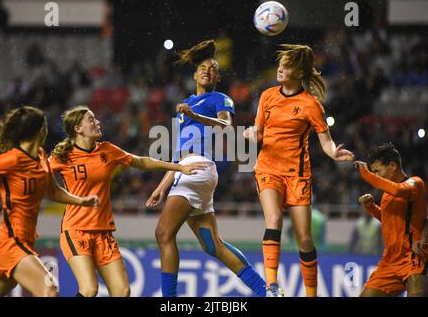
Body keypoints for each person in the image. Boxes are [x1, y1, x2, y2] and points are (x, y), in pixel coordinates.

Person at [146, 40, 266, 297]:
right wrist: (161, 186)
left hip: (198, 169)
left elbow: (225, 126)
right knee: (214, 246)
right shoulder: (185, 105)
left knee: (163, 233)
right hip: (185, 169)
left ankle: (170, 301)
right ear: (194, 73)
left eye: (212, 69)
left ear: (218, 76)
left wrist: (196, 116)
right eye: (203, 67)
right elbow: (180, 152)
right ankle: (265, 290)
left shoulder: (220, 99)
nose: (207, 71)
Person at [49, 105, 204, 297]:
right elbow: (39, 176)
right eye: (91, 120)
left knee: (122, 292)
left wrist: (178, 167)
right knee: (89, 290)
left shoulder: (107, 150)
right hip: (76, 230)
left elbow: (141, 161)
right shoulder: (62, 156)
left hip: (103, 232)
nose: (97, 122)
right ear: (78, 129)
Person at [243, 44, 354, 297]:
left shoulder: (310, 105)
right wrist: (251, 133)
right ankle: (271, 286)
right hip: (268, 168)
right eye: (280, 64)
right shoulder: (267, 96)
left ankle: (311, 294)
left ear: (299, 71)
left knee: (304, 239)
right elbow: (259, 130)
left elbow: (326, 142)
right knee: (274, 220)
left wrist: (334, 153)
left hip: (297, 174)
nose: (280, 68)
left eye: (287, 65)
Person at [0, 106, 98, 297]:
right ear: (40, 130)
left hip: (25, 242)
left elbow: (53, 192)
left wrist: (81, 201)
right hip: (10, 243)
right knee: (49, 290)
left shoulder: (42, 156)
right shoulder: (12, 159)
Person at [355, 143, 428, 297]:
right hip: (390, 260)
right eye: (373, 173)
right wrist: (371, 208)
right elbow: (389, 221)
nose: (375, 175)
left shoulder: (415, 183)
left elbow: (397, 190)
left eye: (377, 171)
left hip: (413, 256)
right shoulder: (386, 195)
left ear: (392, 166)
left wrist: (366, 174)